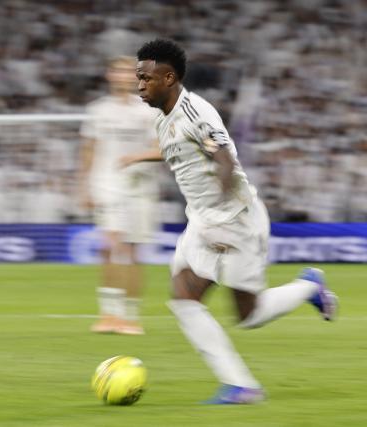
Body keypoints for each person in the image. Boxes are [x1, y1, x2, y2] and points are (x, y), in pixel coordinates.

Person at [127, 39, 338, 403]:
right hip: (203, 220)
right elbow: (176, 151)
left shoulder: (197, 113)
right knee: (184, 299)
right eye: (138, 78)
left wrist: (222, 222)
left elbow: (223, 160)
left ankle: (309, 286)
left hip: (236, 220)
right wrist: (137, 158)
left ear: (169, 76)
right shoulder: (164, 118)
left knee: (249, 315)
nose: (140, 85)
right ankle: (242, 386)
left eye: (146, 78)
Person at [78, 56, 162, 335]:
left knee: (134, 252)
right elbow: (89, 150)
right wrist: (84, 186)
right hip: (107, 184)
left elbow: (160, 148)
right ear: (110, 75)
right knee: (110, 246)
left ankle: (131, 316)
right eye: (119, 71)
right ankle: (109, 314)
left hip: (140, 187)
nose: (124, 76)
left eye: (130, 72)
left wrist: (137, 158)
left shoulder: (150, 109)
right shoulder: (97, 111)